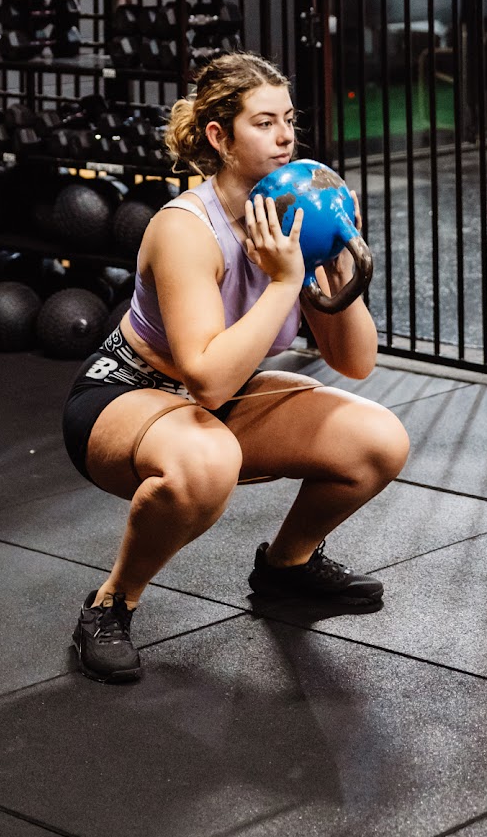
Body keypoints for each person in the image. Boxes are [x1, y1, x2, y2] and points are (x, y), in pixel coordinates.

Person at [63, 51, 410, 684]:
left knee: (379, 441)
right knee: (207, 461)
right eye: (263, 123)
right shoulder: (187, 230)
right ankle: (112, 604)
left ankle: (287, 565)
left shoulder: (291, 214)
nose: (284, 138)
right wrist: (286, 281)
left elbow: (356, 361)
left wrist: (338, 261)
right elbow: (208, 378)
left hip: (214, 406)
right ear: (219, 138)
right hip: (127, 396)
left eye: (289, 121)